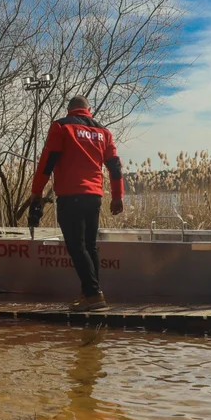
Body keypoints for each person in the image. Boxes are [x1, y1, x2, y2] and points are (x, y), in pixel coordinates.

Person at [30, 96, 123, 312]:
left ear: (69, 110)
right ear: (88, 110)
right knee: (89, 246)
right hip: (94, 196)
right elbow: (115, 167)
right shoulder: (104, 132)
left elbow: (48, 162)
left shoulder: (62, 126)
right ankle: (89, 294)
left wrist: (37, 192)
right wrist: (118, 196)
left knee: (76, 245)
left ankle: (93, 294)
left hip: (71, 195)